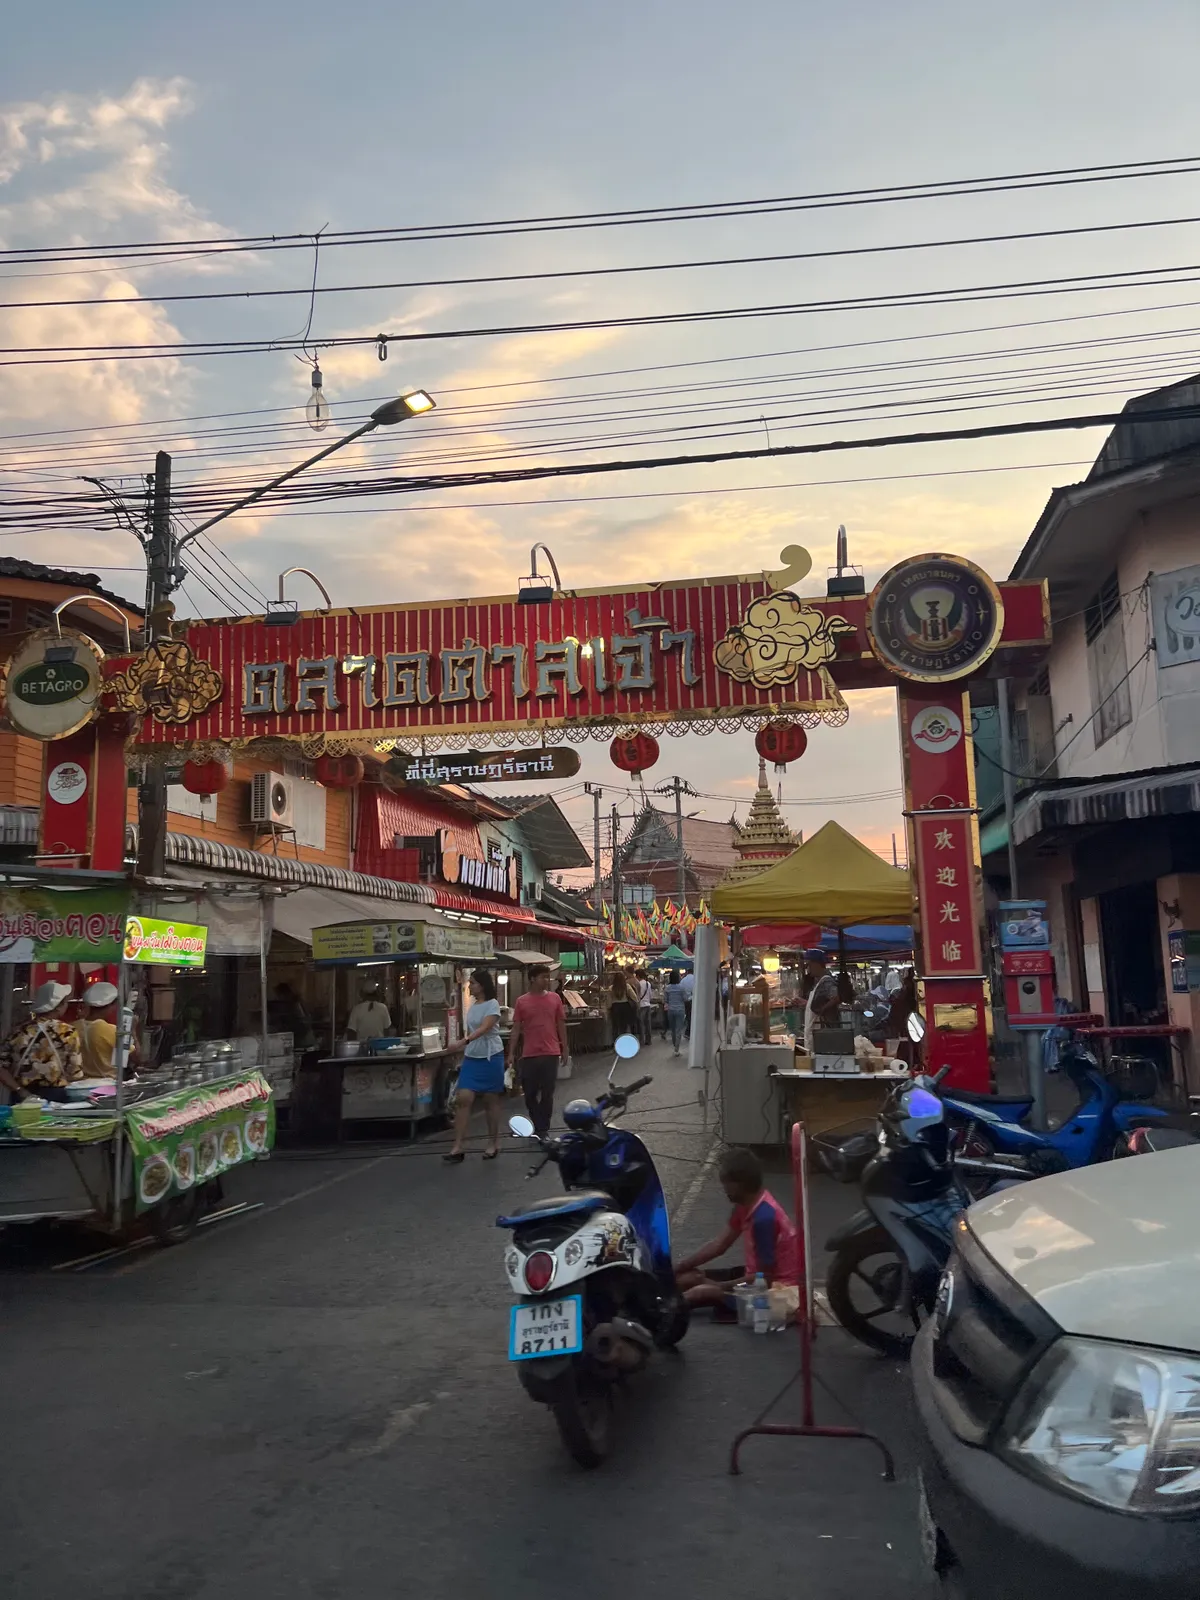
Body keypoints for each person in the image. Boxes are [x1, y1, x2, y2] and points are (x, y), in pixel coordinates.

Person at [675, 1147, 800, 1318]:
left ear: (740, 1184)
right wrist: (681, 1266)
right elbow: (719, 1245)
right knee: (687, 1277)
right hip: (755, 1276)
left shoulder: (763, 1220)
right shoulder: (745, 1205)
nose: (724, 1189)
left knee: (700, 1292)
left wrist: (720, 1287)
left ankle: (662, 1312)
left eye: (726, 1184)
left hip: (777, 1291)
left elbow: (765, 1279)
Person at [444, 969, 504, 1164]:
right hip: (472, 1056)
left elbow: (485, 1028)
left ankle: (493, 1142)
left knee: (490, 1099)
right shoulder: (473, 1006)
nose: (471, 985)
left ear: (483, 985)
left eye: (474, 982)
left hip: (490, 1055)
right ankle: (458, 1145)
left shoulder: (492, 1005)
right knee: (464, 1097)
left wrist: (463, 1042)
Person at [507, 964, 569, 1137]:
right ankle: (537, 1121)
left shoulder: (555, 998)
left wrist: (565, 1048)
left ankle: (543, 1128)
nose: (546, 981)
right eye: (542, 977)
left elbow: (560, 1024)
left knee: (548, 1092)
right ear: (532, 979)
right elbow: (516, 1028)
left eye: (547, 977)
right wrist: (511, 1053)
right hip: (530, 1054)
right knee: (530, 1093)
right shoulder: (522, 1001)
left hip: (551, 1052)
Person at [0, 982, 83, 1101]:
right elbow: (75, 1072)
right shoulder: (67, 1032)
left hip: (22, 1097)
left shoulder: (19, 1031)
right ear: (59, 1006)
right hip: (57, 1096)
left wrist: (20, 1091)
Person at [76, 981, 121, 1079]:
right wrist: (133, 1030)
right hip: (107, 1085)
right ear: (110, 1006)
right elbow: (135, 1058)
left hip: (81, 1084)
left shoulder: (73, 1027)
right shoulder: (110, 1030)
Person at [802, 948, 840, 1054]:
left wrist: (822, 1010)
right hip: (815, 1036)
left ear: (817, 964)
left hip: (821, 1037)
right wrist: (805, 1004)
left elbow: (837, 997)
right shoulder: (819, 983)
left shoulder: (826, 981)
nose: (808, 968)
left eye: (809, 965)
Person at [270, 981, 316, 1050]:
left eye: (278, 995)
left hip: (303, 1042)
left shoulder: (295, 1005)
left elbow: (303, 1024)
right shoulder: (294, 1004)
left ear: (284, 994)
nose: (277, 998)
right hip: (303, 1041)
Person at [608, 971, 638, 1043]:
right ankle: (624, 1042)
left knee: (615, 1027)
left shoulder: (611, 988)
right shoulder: (627, 986)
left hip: (615, 1007)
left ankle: (616, 1042)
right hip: (625, 1006)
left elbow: (609, 1000)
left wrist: (608, 1008)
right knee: (624, 1027)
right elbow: (634, 997)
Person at [664, 968, 688, 1056]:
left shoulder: (667, 988)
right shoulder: (681, 988)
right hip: (680, 1010)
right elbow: (685, 998)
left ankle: (675, 1044)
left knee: (673, 1029)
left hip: (670, 1010)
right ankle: (676, 1049)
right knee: (678, 1030)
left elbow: (665, 1000)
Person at [635, 968, 654, 1046]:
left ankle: (642, 1040)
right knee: (648, 1023)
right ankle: (648, 1040)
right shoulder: (648, 983)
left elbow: (637, 995)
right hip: (647, 1005)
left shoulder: (638, 984)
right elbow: (650, 995)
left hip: (641, 1005)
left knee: (641, 1024)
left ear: (638, 976)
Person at [679, 966, 696, 1038]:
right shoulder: (695, 979)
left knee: (688, 1016)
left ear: (687, 972)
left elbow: (680, 990)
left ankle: (688, 1032)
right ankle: (690, 1032)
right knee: (694, 1017)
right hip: (694, 1000)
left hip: (686, 1001)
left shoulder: (683, 980)